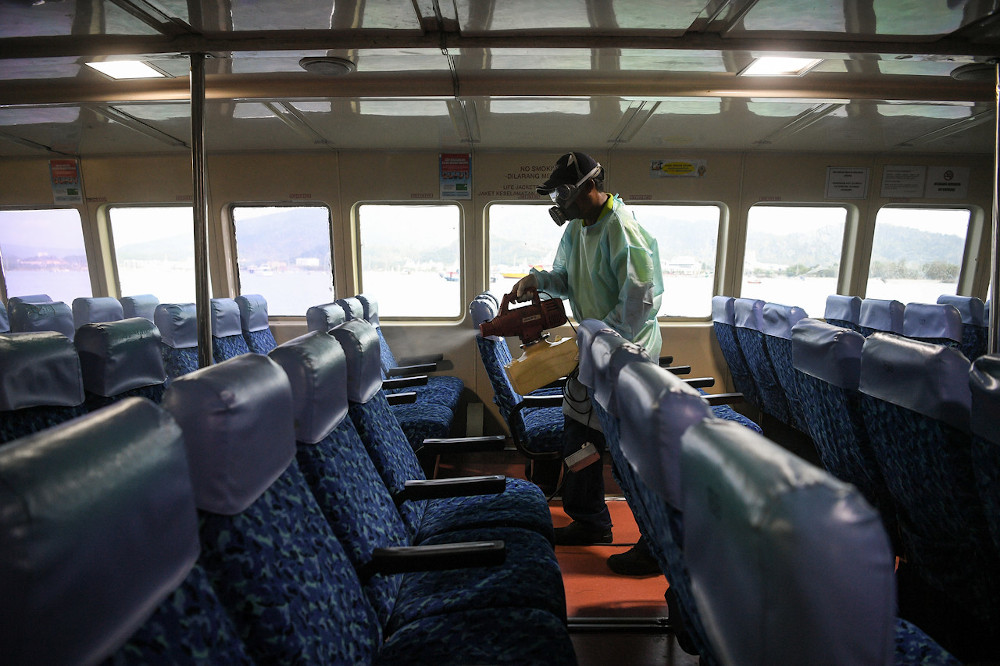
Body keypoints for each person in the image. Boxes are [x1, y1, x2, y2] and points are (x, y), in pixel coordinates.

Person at [513, 152, 664, 576]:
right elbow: (563, 277)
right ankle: (590, 520)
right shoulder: (578, 228)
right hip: (594, 350)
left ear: (589, 187)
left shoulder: (624, 231)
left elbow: (637, 306)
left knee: (635, 457)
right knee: (578, 435)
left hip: (627, 356)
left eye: (564, 191)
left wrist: (599, 342)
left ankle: (656, 544)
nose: (559, 201)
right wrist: (537, 280)